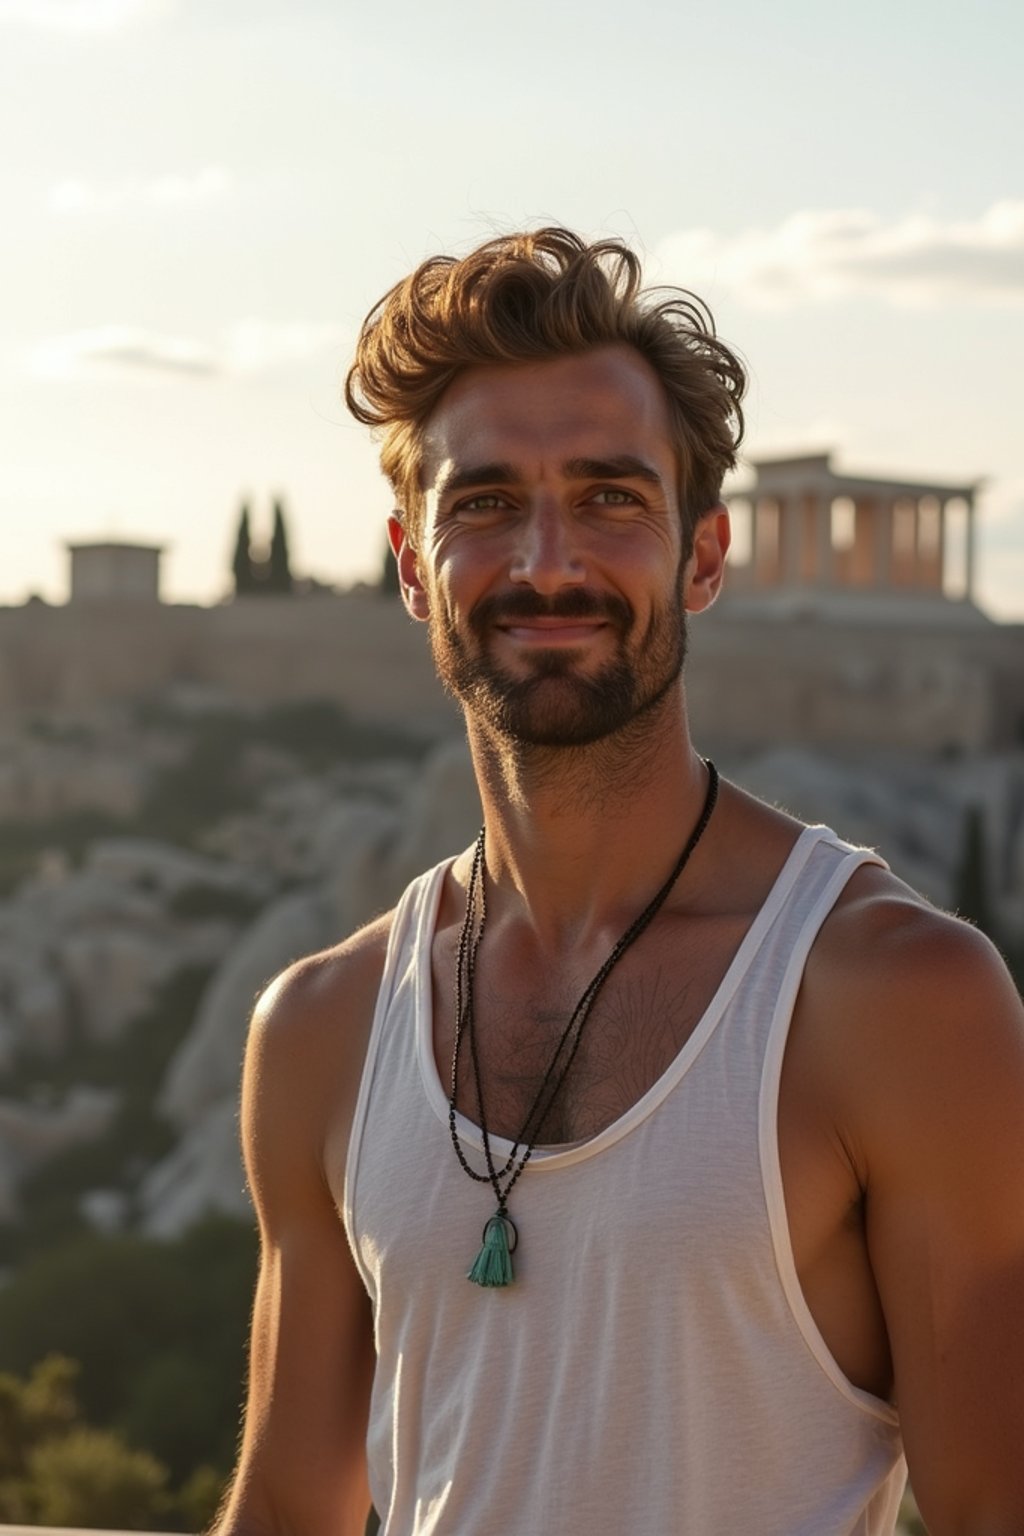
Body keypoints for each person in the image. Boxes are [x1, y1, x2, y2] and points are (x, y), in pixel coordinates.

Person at [213, 228, 1024, 1536]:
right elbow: (292, 1510)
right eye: (483, 504)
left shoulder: (894, 998)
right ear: (413, 571)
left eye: (610, 497)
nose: (548, 562)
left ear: (702, 557)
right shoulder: (320, 1027)